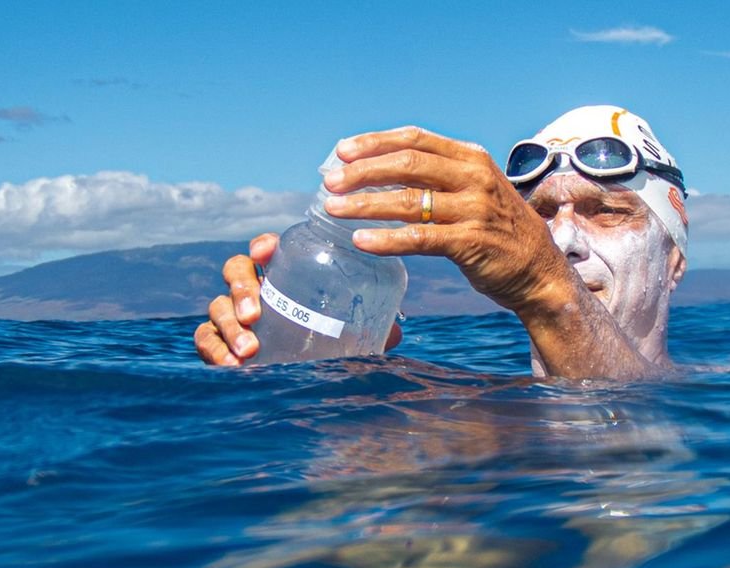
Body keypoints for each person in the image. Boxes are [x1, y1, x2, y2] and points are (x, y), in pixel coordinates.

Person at [194, 105, 690, 380]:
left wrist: (545, 288)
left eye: (605, 212)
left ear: (674, 260)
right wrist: (271, 351)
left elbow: (634, 436)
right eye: (539, 216)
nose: (562, 240)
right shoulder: (466, 409)